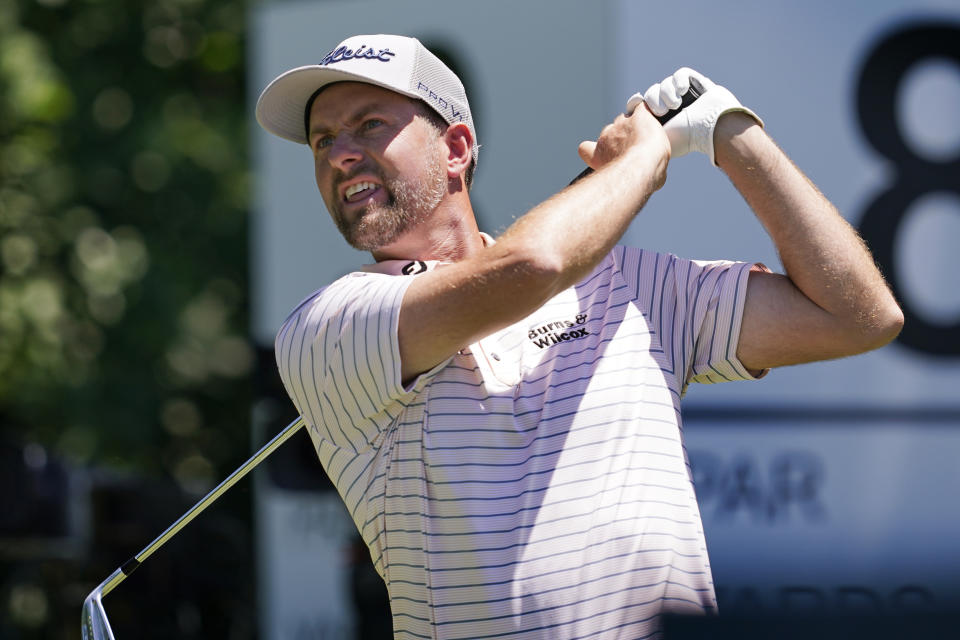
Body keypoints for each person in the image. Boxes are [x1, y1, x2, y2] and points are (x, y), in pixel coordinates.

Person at [256, 34, 903, 639]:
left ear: (455, 149)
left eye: (369, 124)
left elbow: (859, 316)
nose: (340, 152)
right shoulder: (330, 324)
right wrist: (643, 158)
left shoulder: (638, 288)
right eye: (321, 140)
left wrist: (730, 132)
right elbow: (530, 267)